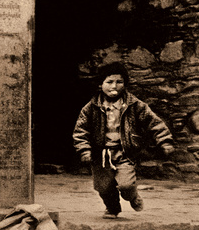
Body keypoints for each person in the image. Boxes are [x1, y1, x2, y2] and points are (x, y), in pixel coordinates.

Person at [72, 61, 175, 218]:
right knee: (103, 187)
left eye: (119, 82)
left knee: (126, 185)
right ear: (101, 84)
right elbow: (81, 131)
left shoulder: (135, 105)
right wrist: (84, 150)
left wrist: (165, 141)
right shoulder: (91, 108)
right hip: (101, 154)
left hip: (124, 152)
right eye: (109, 82)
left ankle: (132, 196)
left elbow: (153, 122)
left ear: (125, 84)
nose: (114, 86)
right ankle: (112, 208)